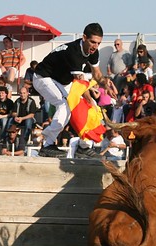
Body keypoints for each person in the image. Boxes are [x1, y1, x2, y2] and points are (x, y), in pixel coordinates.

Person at [33, 23, 107, 158]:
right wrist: (89, 97)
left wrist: (107, 84)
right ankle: (47, 145)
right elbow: (79, 84)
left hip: (62, 81)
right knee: (64, 106)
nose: (95, 46)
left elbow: (97, 74)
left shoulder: (93, 51)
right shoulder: (73, 52)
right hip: (43, 78)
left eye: (98, 43)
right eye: (92, 42)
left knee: (91, 107)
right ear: (84, 38)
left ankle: (84, 147)